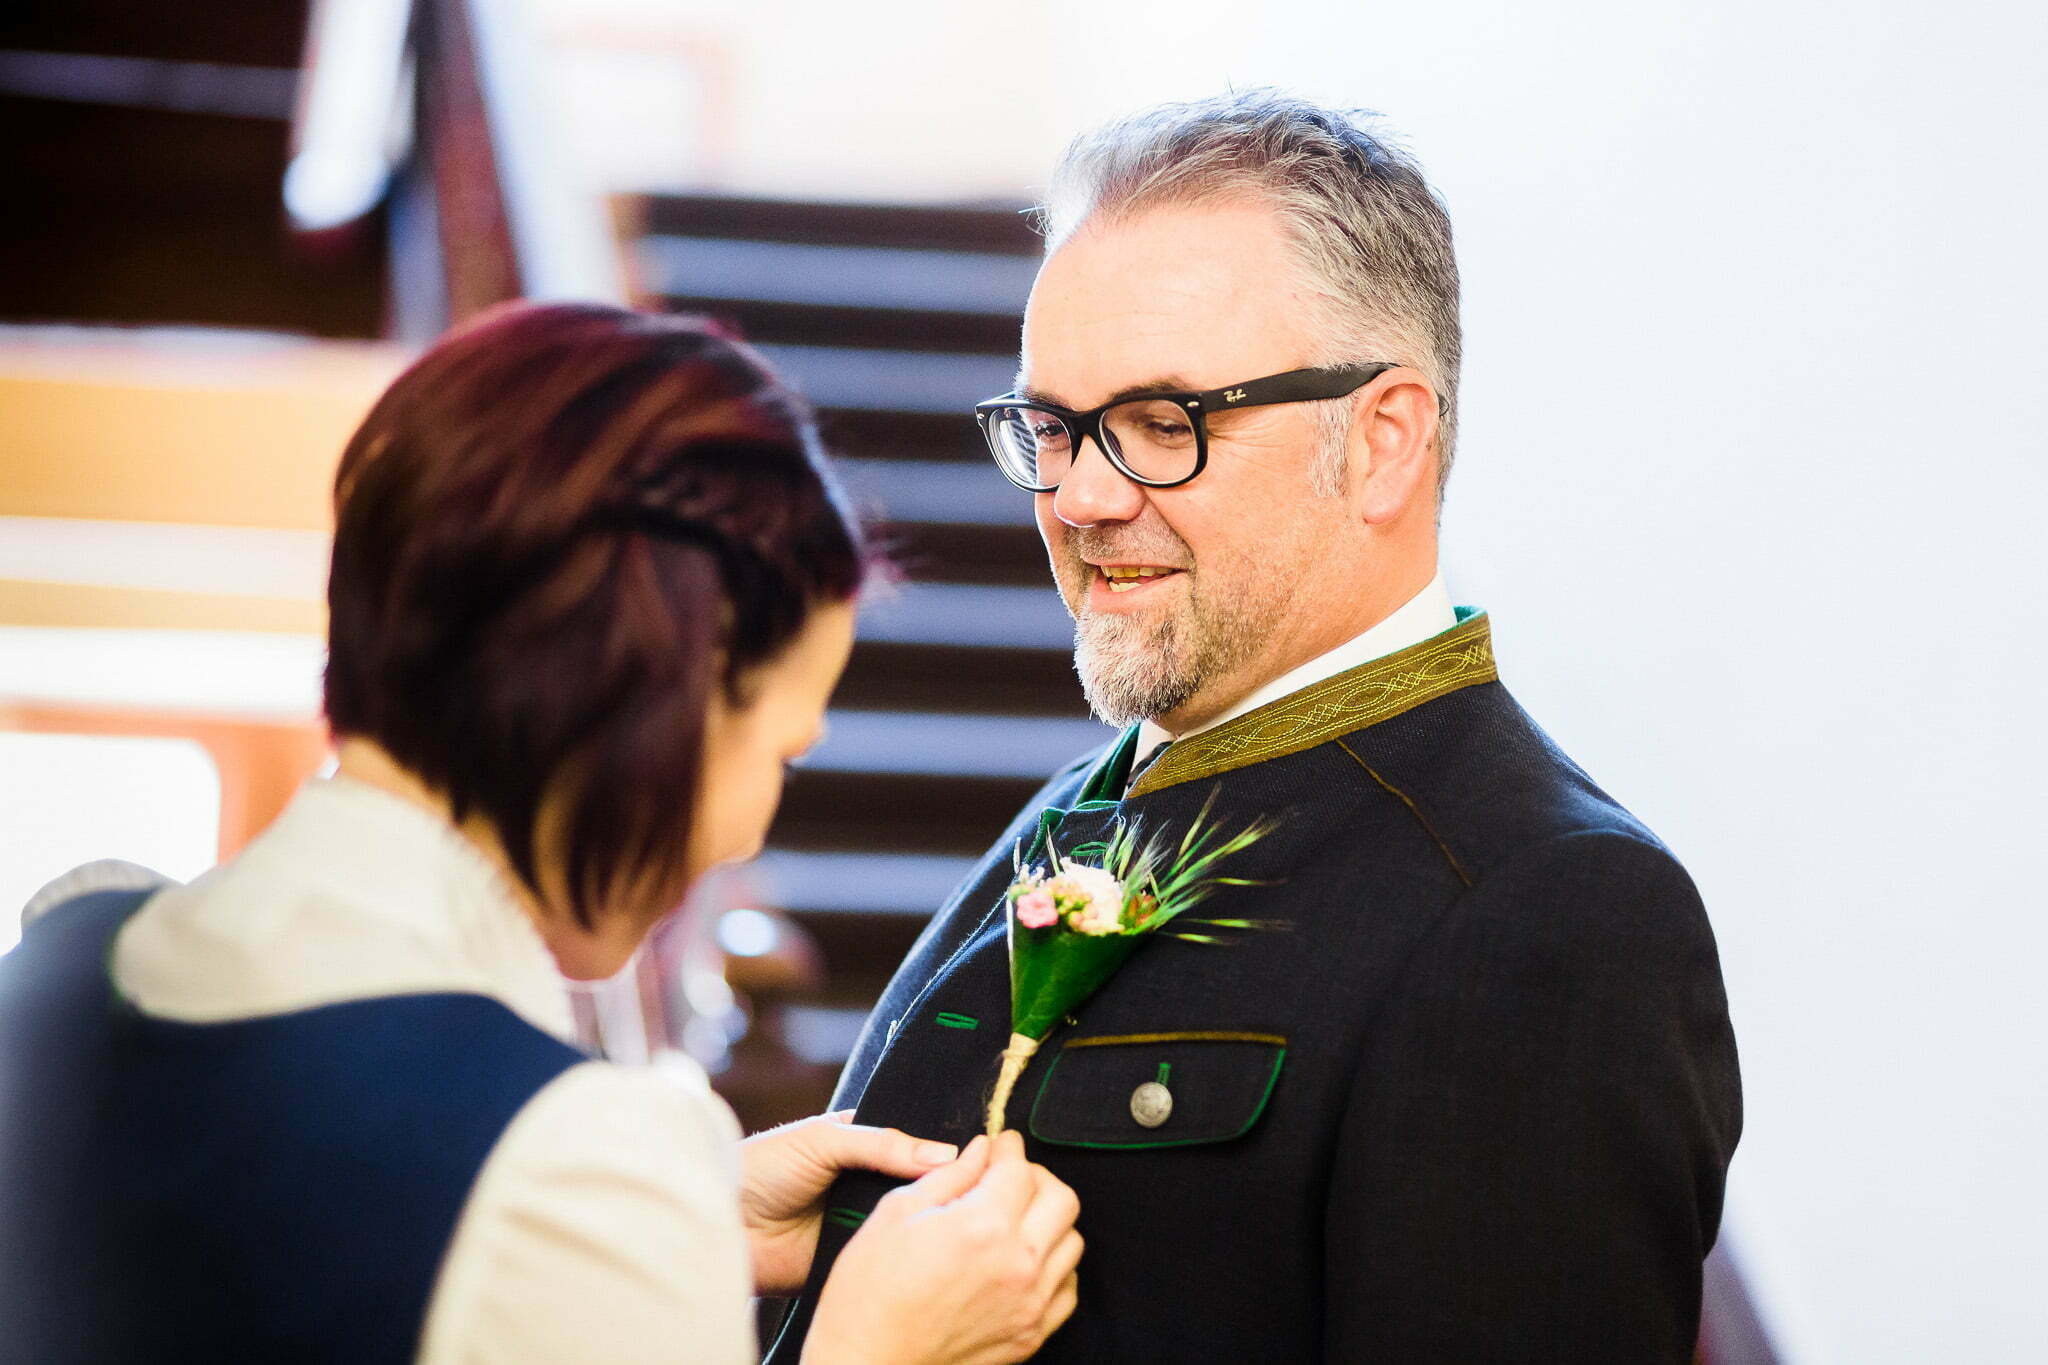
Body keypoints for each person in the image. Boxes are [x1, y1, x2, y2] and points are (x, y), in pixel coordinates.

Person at [763, 91, 1741, 1363]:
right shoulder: (1086, 799)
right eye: (1049, 427)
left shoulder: (1548, 910)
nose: (1079, 496)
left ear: (1383, 441)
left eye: (1164, 426)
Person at [0, 303, 1081, 1364]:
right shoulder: (570, 1171)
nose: (749, 837)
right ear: (664, 712)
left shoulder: (65, 955)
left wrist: (678, 1227)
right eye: (779, 755)